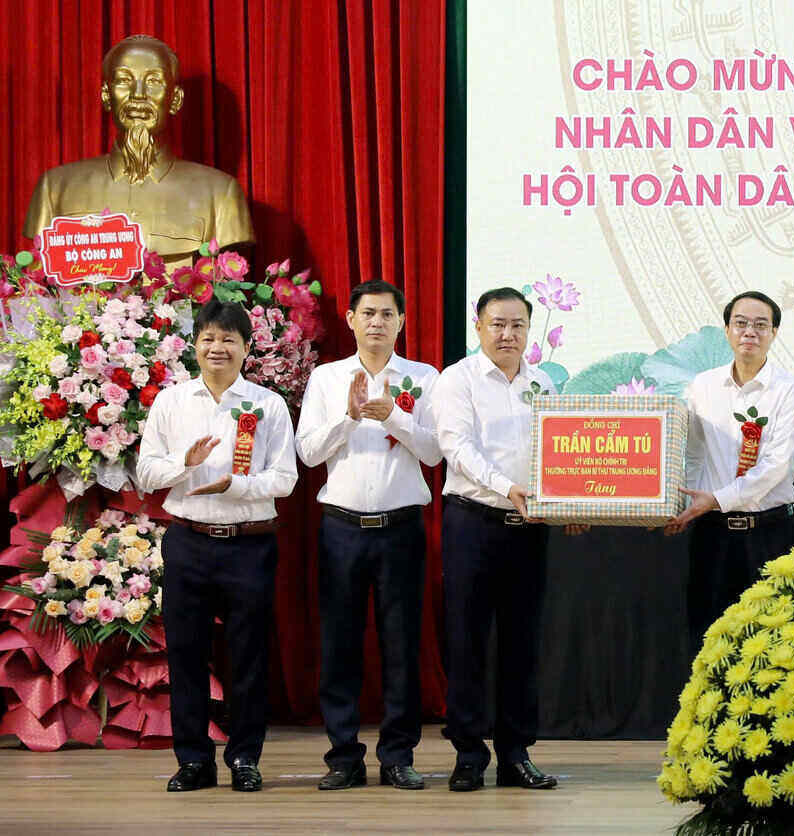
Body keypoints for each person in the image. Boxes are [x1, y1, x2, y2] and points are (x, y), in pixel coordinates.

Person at [137, 300, 297, 792]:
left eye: (229, 339)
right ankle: (193, 760)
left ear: (247, 348)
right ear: (195, 345)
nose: (217, 347)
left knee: (248, 654)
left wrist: (235, 486)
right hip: (188, 541)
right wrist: (184, 465)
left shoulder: (267, 405)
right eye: (208, 338)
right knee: (185, 653)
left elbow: (286, 479)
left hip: (249, 545)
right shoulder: (172, 401)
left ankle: (245, 757)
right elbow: (145, 474)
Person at [431, 286, 584, 792]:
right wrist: (508, 488)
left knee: (522, 644)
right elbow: (457, 448)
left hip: (529, 532)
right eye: (498, 324)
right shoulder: (458, 380)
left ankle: (516, 754)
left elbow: (559, 458)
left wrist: (570, 504)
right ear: (478, 327)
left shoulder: (543, 384)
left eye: (518, 325)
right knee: (467, 642)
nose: (508, 334)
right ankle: (469, 755)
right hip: (473, 523)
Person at [295, 280, 442, 791]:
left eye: (387, 314)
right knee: (339, 645)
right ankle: (343, 757)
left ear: (402, 322)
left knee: (402, 645)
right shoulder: (327, 378)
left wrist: (395, 418)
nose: (377, 322)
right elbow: (309, 453)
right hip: (342, 528)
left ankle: (398, 756)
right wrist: (348, 416)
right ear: (351, 320)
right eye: (368, 313)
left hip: (401, 527)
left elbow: (434, 452)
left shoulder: (423, 377)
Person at [24, 34, 254, 261]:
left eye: (154, 81)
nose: (138, 95)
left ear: (175, 99)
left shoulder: (221, 194)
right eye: (124, 80)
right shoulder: (54, 188)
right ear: (106, 96)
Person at [668, 291, 794, 652]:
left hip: (769, 533)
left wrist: (716, 499)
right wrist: (681, 503)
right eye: (741, 323)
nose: (750, 331)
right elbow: (694, 456)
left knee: (772, 642)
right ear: (727, 330)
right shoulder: (703, 386)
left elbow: (777, 465)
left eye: (761, 325)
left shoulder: (789, 390)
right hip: (711, 534)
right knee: (708, 636)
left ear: (774, 333)